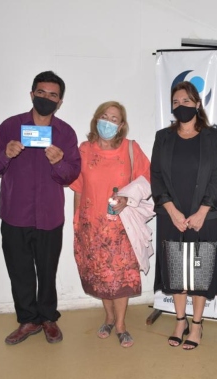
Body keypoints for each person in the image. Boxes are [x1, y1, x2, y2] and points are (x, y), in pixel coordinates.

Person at [0, 70, 81, 344]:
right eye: (41, 93)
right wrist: (5, 154)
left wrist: (59, 162)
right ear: (31, 94)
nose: (46, 98)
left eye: (53, 95)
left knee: (48, 271)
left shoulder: (65, 133)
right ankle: (28, 320)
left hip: (50, 216)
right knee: (20, 271)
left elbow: (71, 174)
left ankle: (48, 318)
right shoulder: (10, 126)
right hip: (15, 214)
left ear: (59, 101)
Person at [151, 81, 217, 350]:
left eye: (186, 101)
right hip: (171, 214)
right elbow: (156, 176)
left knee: (199, 270)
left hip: (204, 215)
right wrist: (171, 210)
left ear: (197, 104)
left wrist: (202, 211)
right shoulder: (163, 137)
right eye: (175, 102)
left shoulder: (214, 138)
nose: (180, 106)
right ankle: (179, 321)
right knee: (176, 270)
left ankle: (196, 324)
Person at [70, 101, 153, 348]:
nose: (108, 122)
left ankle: (121, 325)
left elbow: (148, 179)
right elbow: (78, 188)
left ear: (122, 125)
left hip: (121, 226)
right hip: (92, 226)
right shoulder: (84, 149)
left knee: (121, 276)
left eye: (114, 119)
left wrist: (128, 199)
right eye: (104, 116)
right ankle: (108, 318)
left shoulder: (130, 148)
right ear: (96, 119)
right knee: (100, 276)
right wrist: (77, 221)